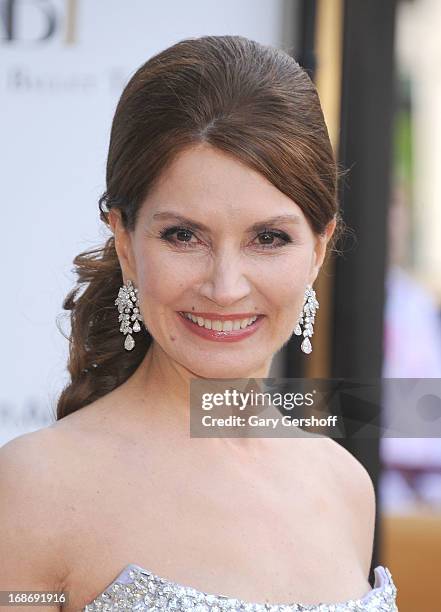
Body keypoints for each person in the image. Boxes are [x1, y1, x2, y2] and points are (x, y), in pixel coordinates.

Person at [0, 35, 398, 611]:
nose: (225, 287)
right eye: (183, 236)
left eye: (268, 238)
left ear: (318, 248)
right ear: (127, 243)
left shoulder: (344, 485)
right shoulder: (36, 488)